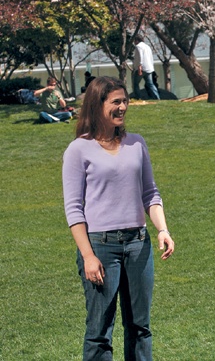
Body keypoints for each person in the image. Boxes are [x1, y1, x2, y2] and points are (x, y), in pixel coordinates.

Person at [62, 76, 174, 360]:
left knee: (140, 327)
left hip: (138, 244)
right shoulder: (78, 149)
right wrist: (88, 255)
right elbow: (74, 209)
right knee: (100, 330)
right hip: (100, 247)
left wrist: (162, 229)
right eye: (116, 102)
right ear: (97, 104)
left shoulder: (137, 144)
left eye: (125, 101)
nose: (122, 107)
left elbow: (150, 193)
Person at [133, 35, 160, 100]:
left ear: (137, 41)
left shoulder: (138, 46)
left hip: (142, 68)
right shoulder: (147, 47)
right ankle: (157, 97)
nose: (134, 42)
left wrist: (139, 66)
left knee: (135, 84)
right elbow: (151, 57)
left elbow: (140, 56)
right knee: (150, 84)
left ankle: (138, 98)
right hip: (149, 68)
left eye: (134, 41)